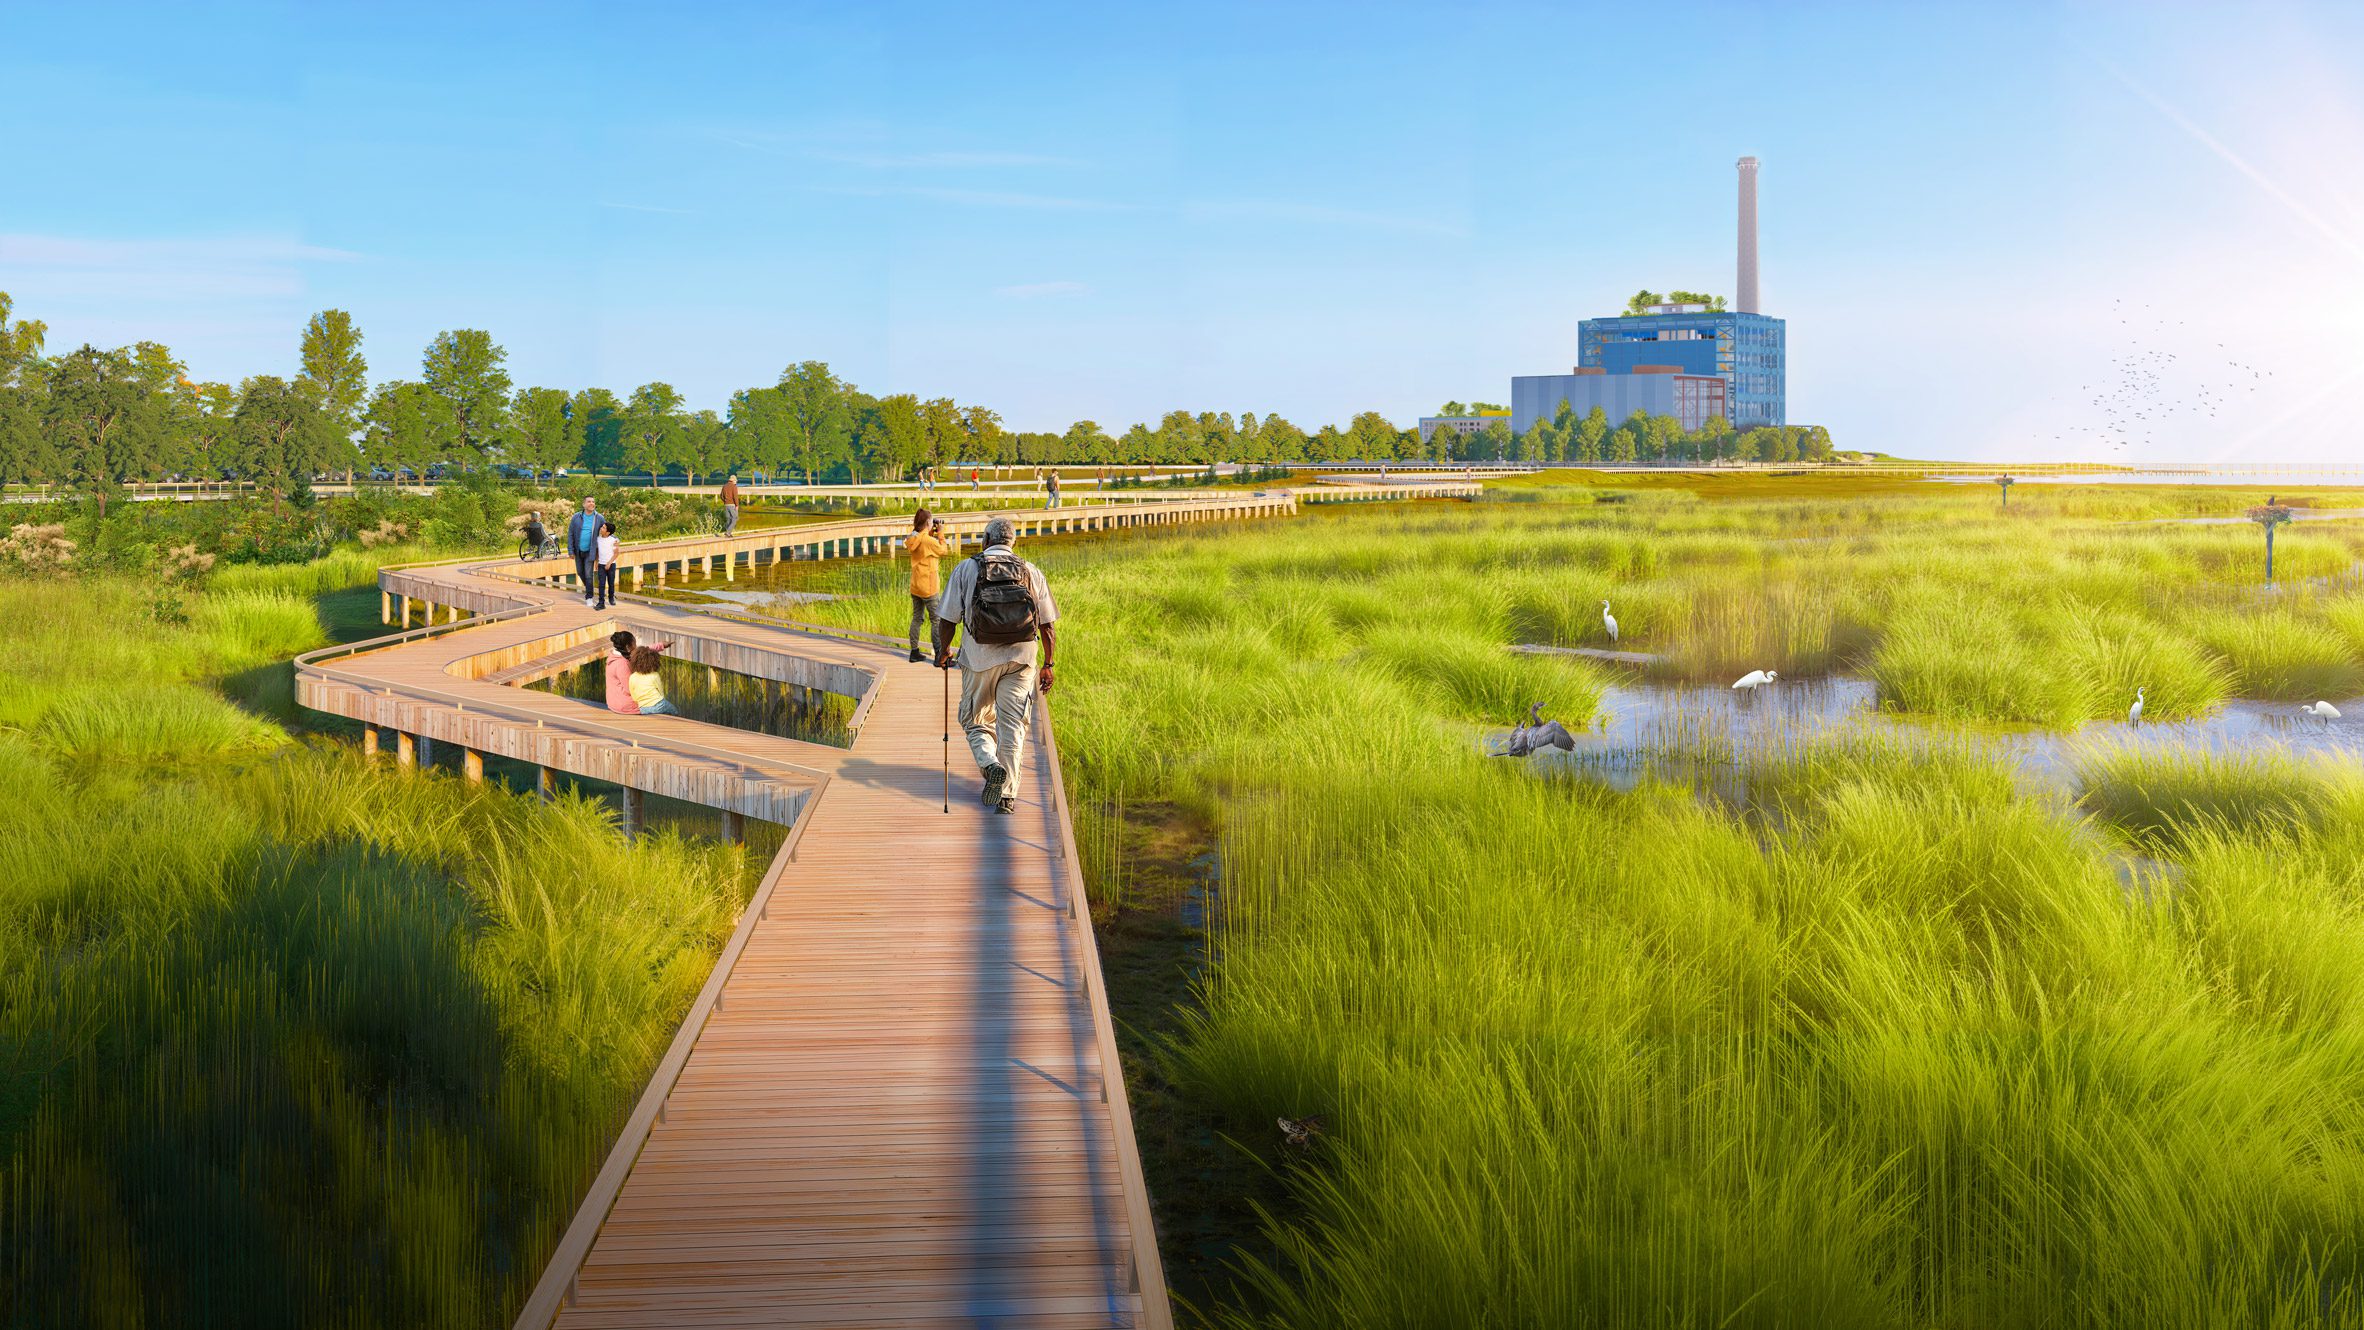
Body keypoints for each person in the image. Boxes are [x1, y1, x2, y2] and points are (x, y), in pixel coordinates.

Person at [933, 517, 1058, 815]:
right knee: (1013, 725)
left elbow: (947, 619)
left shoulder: (967, 568)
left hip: (979, 658)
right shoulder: (1031, 571)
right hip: (1022, 659)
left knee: (975, 719)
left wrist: (944, 651)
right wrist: (1048, 664)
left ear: (985, 540)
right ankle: (1007, 797)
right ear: (1013, 542)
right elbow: (1048, 625)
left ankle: (990, 765)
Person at [903, 507, 950, 663]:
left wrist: (930, 533)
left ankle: (914, 652)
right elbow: (943, 550)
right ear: (929, 522)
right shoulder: (928, 541)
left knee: (917, 618)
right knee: (936, 620)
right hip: (929, 587)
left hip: (915, 586)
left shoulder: (913, 538)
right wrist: (941, 533)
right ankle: (938, 655)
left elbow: (922, 544)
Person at [566, 496, 603, 607]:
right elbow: (570, 534)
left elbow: (607, 532)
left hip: (590, 551)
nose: (591, 503)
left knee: (588, 574)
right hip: (578, 551)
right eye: (589, 502)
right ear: (584, 504)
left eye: (593, 501)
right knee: (580, 572)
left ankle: (589, 597)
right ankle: (590, 588)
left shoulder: (599, 518)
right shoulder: (576, 517)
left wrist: (615, 539)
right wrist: (570, 550)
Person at [627, 645, 681, 716]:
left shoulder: (632, 676)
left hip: (643, 708)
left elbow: (633, 695)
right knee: (675, 711)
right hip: (659, 704)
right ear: (654, 662)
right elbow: (660, 692)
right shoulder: (655, 675)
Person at [593, 520, 620, 609]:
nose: (601, 528)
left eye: (603, 528)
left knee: (611, 583)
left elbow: (616, 553)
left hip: (611, 565)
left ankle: (611, 597)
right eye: (602, 527)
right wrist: (596, 562)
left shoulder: (614, 540)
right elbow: (597, 552)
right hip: (601, 565)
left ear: (608, 532)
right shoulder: (598, 539)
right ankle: (601, 603)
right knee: (601, 584)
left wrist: (609, 563)